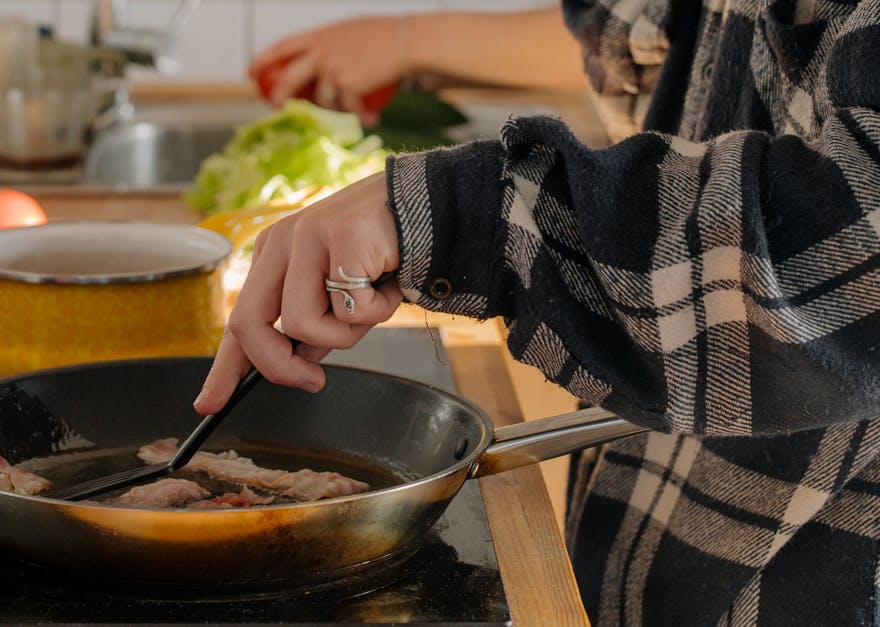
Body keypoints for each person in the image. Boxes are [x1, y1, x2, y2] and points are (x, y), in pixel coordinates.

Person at [193, 2, 880, 626]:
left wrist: (474, 216)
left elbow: (859, 237)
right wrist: (414, 45)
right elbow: (636, 42)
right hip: (653, 566)